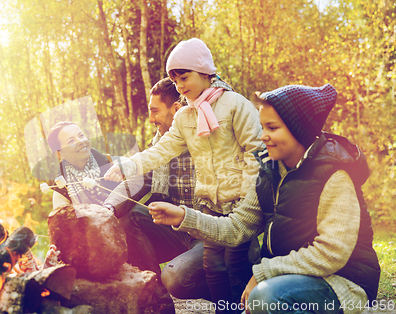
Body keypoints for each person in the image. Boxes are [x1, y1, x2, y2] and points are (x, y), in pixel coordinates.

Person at [148, 84, 381, 314]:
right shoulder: (270, 171)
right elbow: (236, 227)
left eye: (272, 128)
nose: (263, 136)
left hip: (342, 286)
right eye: (262, 127)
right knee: (265, 295)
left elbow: (330, 253)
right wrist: (184, 216)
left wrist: (263, 273)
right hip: (288, 280)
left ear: (298, 129)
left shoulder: (334, 174)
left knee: (265, 297)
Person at [105, 38, 263, 313]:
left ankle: (244, 305)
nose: (180, 86)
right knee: (213, 269)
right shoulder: (185, 118)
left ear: (205, 72)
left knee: (235, 267)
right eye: (175, 81)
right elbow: (161, 150)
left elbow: (256, 152)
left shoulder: (235, 105)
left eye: (184, 77)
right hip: (209, 209)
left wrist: (247, 195)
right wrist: (127, 165)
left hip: (238, 208)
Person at [46, 121, 120, 211]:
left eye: (81, 136)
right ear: (60, 153)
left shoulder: (111, 163)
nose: (80, 141)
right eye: (71, 141)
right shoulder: (62, 188)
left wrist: (123, 175)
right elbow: (62, 221)